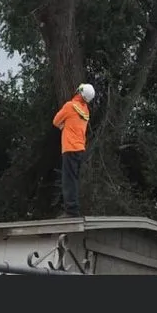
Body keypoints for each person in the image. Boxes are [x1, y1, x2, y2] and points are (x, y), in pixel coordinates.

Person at [53, 83, 95, 217]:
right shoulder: (86, 111)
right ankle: (74, 209)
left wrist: (63, 125)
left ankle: (71, 211)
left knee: (68, 181)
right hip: (80, 149)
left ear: (79, 92)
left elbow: (55, 121)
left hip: (70, 148)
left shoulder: (70, 106)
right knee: (74, 180)